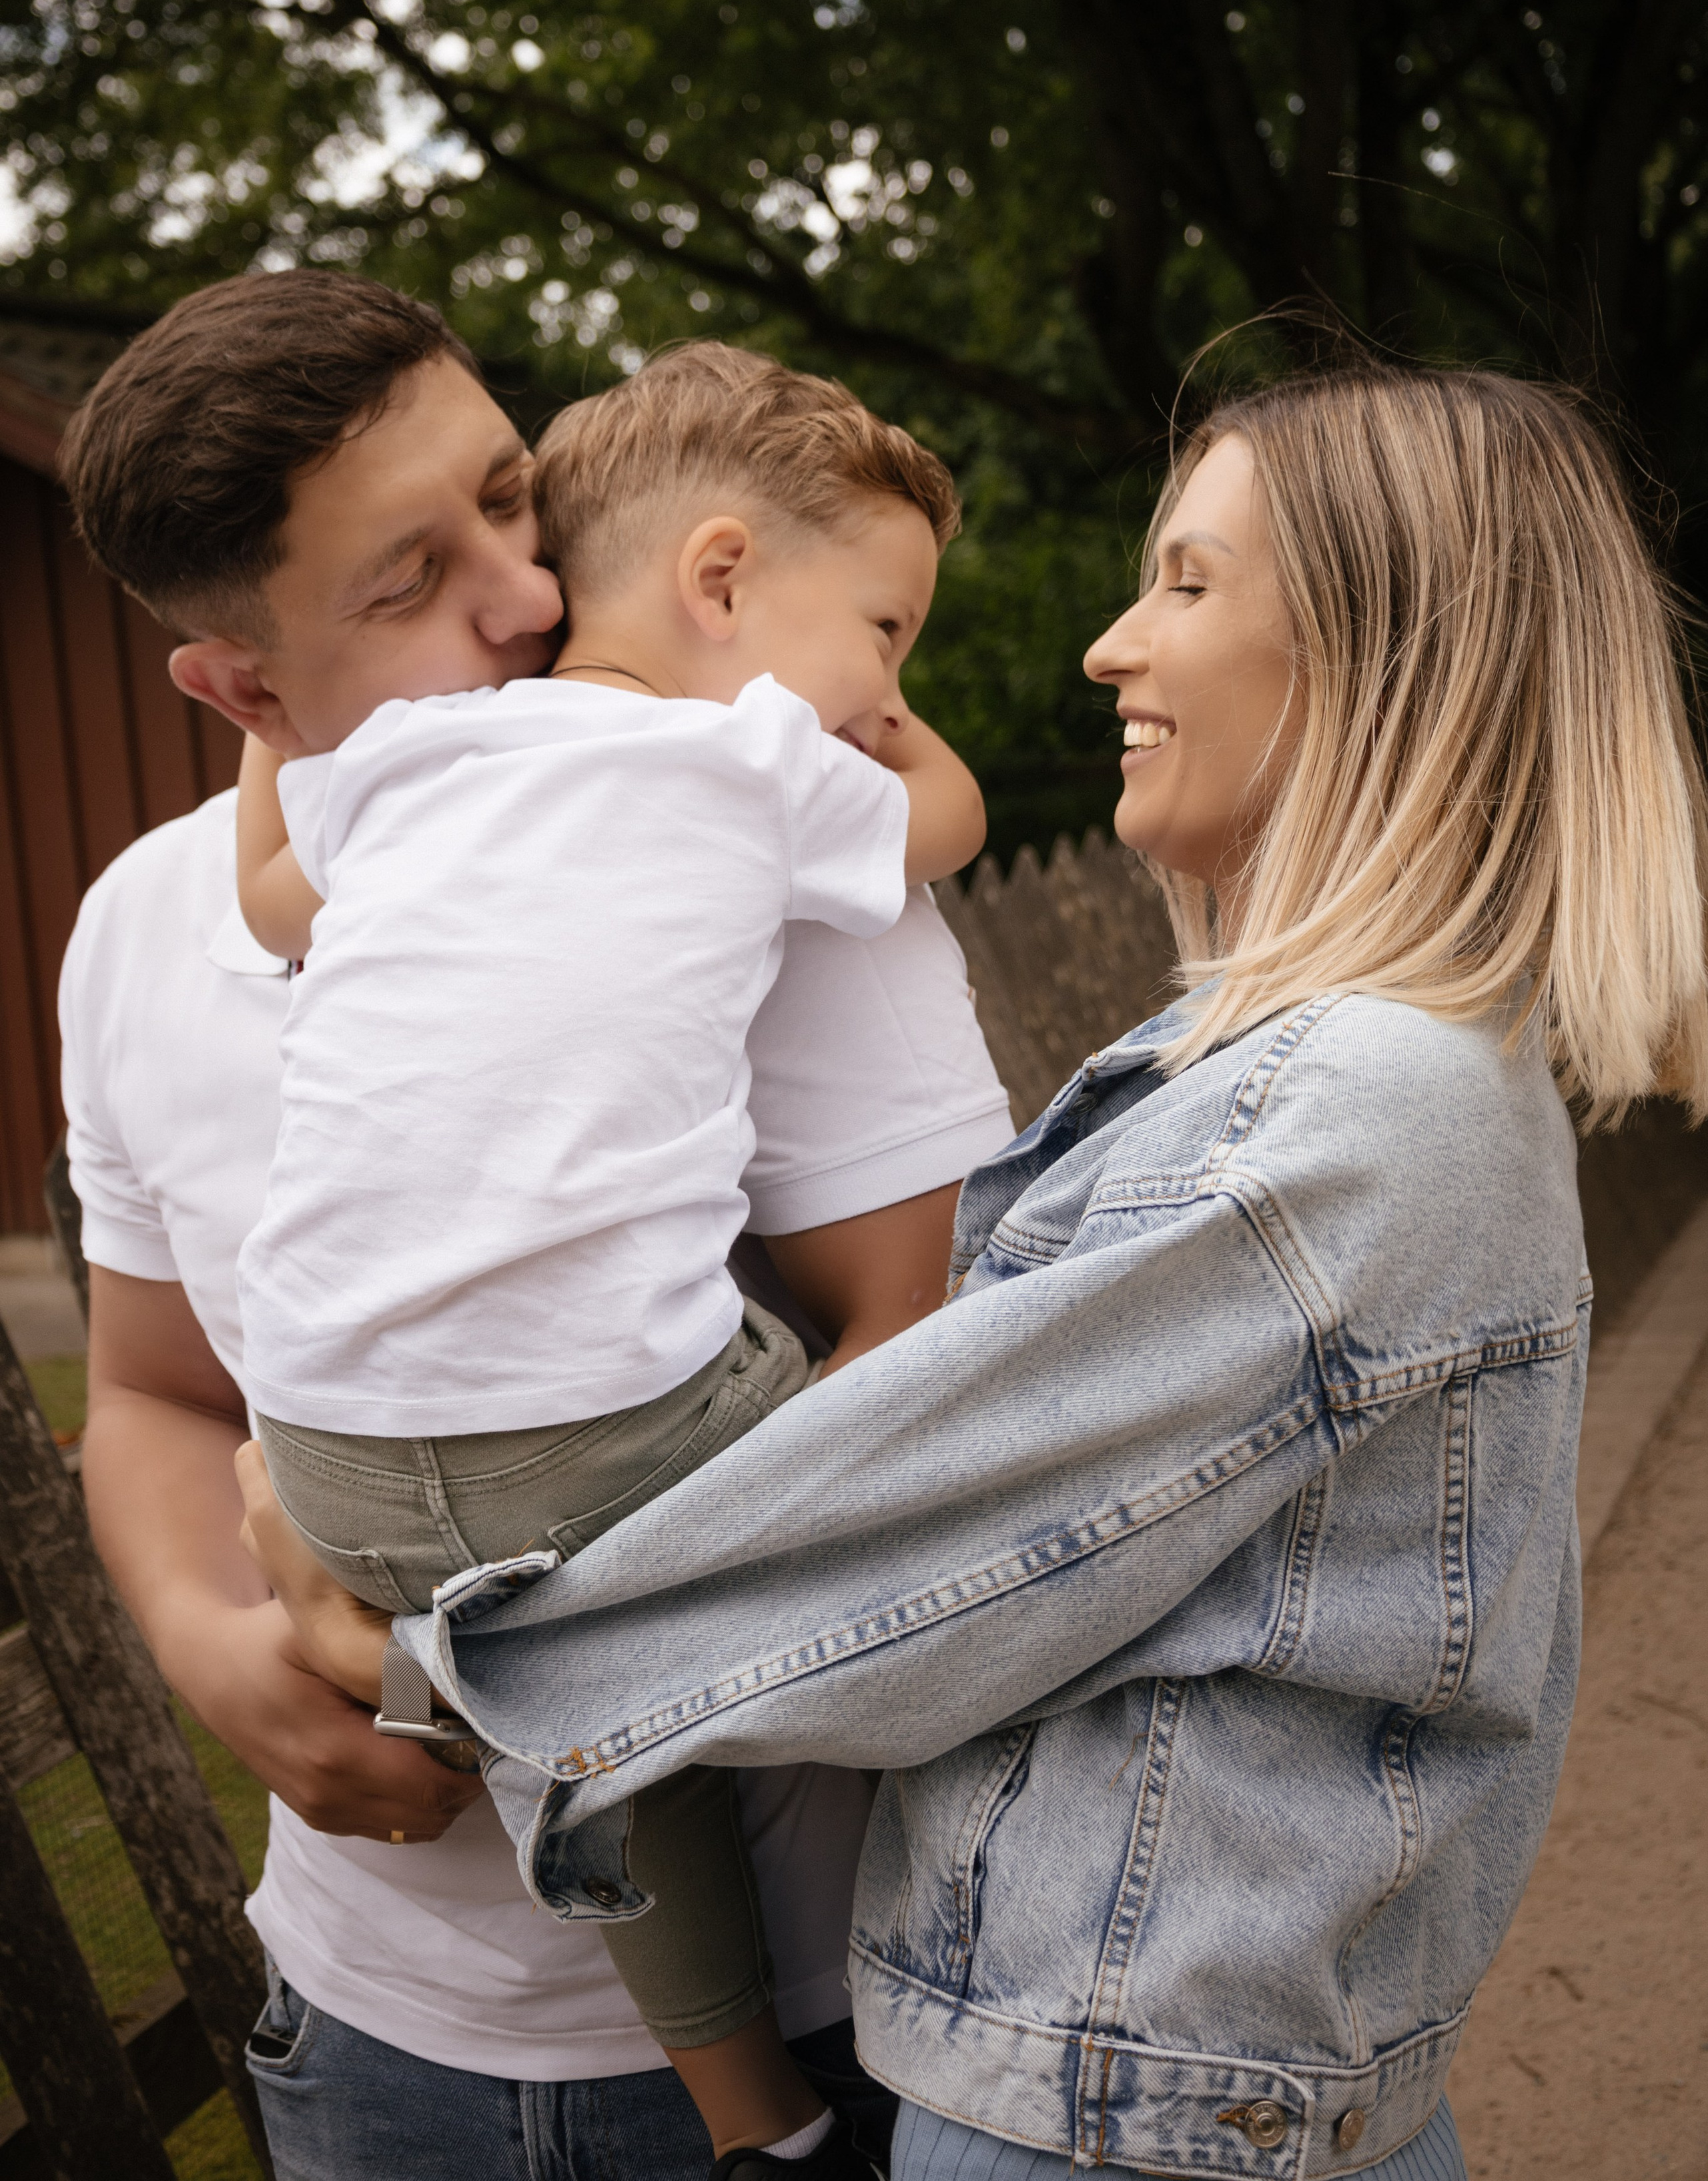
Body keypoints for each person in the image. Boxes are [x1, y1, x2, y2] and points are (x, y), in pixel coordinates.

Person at [249, 363, 1708, 2181]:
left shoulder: (1347, 1116)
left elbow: (916, 1552)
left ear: (1384, 652)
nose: (1109, 644)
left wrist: (399, 1650)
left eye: (1183, 580)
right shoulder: (1352, 1075)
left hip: (1121, 2115)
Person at [57, 272, 1014, 2181]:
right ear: (245, 688)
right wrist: (210, 1628)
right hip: (361, 2027)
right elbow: (152, 1388)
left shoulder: (778, 873)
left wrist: (447, 1639)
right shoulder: (142, 928)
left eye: (508, 491)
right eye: (407, 580)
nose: (518, 587)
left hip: (831, 1976)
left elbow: (912, 1362)